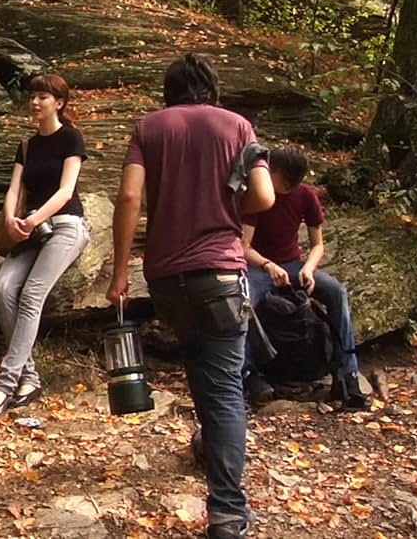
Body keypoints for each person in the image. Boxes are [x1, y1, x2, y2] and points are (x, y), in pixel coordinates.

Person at [107, 54, 275, 539]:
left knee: (202, 371)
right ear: (212, 88)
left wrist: (120, 272)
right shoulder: (238, 126)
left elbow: (129, 199)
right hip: (221, 273)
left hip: (166, 277)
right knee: (223, 387)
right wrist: (224, 202)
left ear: (169, 89)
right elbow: (263, 198)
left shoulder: (150, 127)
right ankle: (226, 511)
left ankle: (209, 446)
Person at [0, 74, 90, 421]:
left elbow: (66, 191)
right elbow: (14, 189)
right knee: (2, 287)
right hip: (29, 230)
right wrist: (12, 218)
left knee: (30, 295)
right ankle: (30, 378)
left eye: (43, 97)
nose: (35, 103)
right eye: (32, 97)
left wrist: (33, 218)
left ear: (59, 103)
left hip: (65, 226)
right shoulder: (27, 146)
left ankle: (4, 383)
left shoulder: (71, 138)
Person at [242, 147, 370, 410]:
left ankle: (348, 373)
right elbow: (243, 246)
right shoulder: (256, 195)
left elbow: (317, 244)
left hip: (294, 265)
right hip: (258, 268)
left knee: (336, 292)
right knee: (242, 303)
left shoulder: (305, 195)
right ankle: (250, 375)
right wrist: (267, 265)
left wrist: (309, 269)